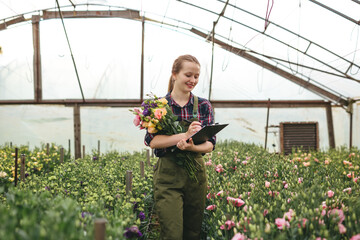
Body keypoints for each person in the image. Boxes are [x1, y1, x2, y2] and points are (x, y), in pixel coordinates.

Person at [144, 54, 216, 240]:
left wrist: (191, 147)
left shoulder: (204, 106)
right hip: (168, 177)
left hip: (195, 176)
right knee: (172, 233)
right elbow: (153, 141)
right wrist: (184, 136)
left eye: (196, 76)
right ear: (174, 74)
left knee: (192, 232)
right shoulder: (158, 106)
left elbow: (209, 145)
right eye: (188, 75)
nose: (193, 80)